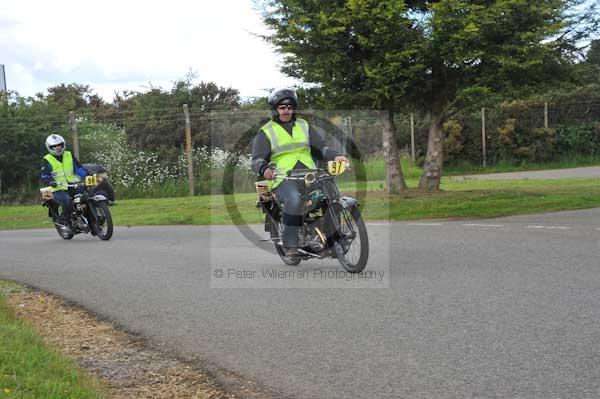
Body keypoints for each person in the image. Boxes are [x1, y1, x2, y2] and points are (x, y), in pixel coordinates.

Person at [251, 87, 349, 257]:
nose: (286, 110)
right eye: (282, 107)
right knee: (294, 200)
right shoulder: (266, 131)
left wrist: (336, 156)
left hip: (309, 173)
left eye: (289, 107)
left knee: (329, 198)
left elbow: (321, 147)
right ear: (275, 109)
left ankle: (333, 240)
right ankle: (291, 245)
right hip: (282, 177)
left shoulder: (304, 126)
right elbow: (257, 158)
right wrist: (264, 169)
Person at [40, 134, 88, 234]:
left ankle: (89, 219)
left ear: (63, 145)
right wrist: (50, 181)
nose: (58, 147)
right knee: (66, 201)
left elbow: (78, 168)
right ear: (50, 147)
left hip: (72, 184)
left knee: (86, 196)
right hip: (57, 188)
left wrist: (86, 174)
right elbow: (44, 175)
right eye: (55, 146)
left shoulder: (69, 154)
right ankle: (67, 223)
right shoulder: (46, 160)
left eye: (59, 145)